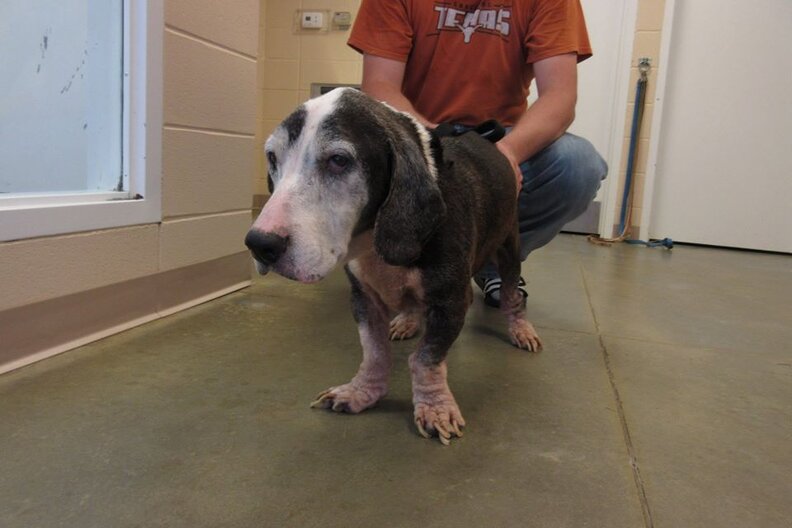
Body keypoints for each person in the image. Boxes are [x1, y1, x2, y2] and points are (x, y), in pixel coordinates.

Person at [348, 0, 608, 307]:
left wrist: (506, 153)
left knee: (578, 166)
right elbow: (379, 85)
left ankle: (487, 259)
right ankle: (402, 256)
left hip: (498, 137)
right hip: (418, 132)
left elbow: (560, 96)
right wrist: (432, 140)